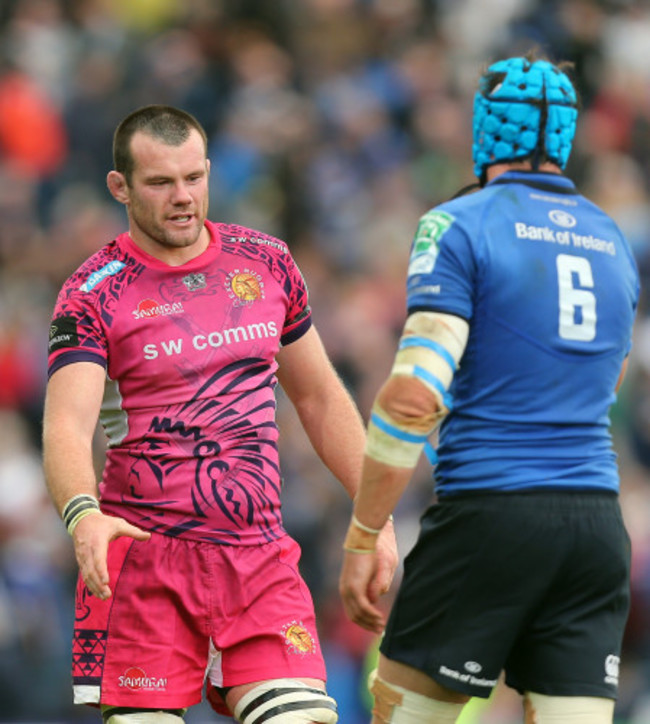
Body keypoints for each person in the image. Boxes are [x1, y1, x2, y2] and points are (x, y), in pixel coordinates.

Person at [42, 104, 398, 724]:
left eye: (194, 177)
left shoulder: (266, 262)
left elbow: (317, 397)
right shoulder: (91, 292)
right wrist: (82, 517)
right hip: (144, 568)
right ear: (119, 187)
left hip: (257, 559)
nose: (182, 197)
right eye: (160, 183)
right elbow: (66, 424)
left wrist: (375, 518)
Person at [339, 52, 639, 724]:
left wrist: (363, 536)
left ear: (483, 135)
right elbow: (608, 380)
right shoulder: (614, 240)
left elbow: (414, 393)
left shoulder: (460, 225)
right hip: (595, 528)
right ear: (566, 137)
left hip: (491, 514)